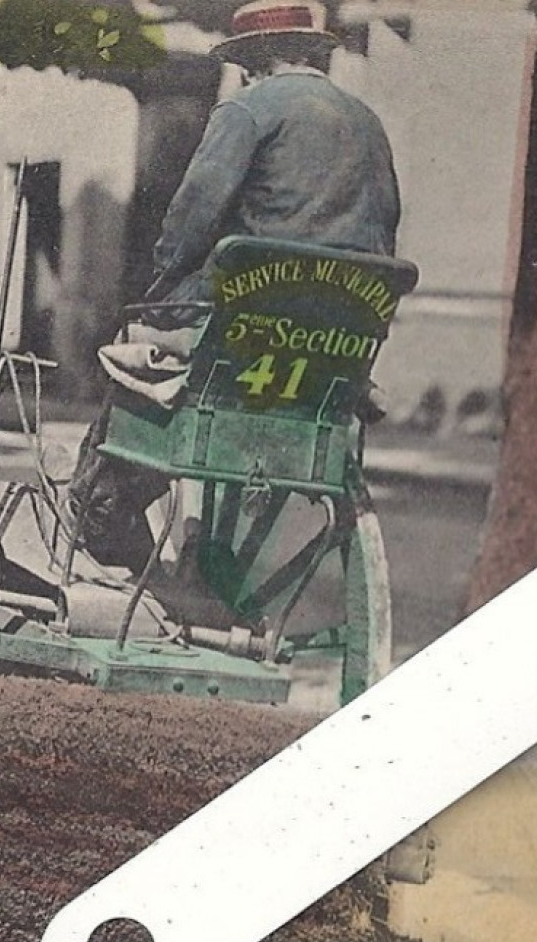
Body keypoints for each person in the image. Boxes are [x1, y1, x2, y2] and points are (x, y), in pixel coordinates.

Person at [67, 0, 402, 573]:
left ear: (254, 60)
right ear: (315, 55)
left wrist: (166, 277)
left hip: (246, 325)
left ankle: (100, 507)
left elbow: (191, 217)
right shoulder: (367, 122)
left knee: (139, 344)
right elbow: (384, 223)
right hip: (339, 342)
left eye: (247, 64)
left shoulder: (247, 109)